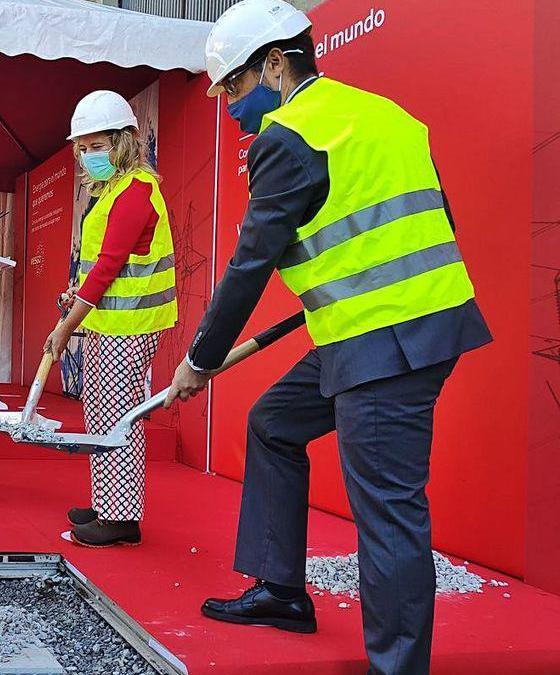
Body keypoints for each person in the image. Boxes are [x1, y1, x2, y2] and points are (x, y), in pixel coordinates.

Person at [163, 1, 492, 672]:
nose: (228, 102)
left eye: (233, 85)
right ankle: (282, 588)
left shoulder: (288, 136)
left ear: (277, 65)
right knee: (274, 421)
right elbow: (431, 225)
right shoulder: (387, 116)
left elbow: (250, 263)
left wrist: (198, 360)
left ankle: (397, 665)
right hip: (396, 327)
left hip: (385, 345)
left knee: (389, 513)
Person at [45, 90, 177, 548]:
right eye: (81, 147)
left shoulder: (136, 190)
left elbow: (108, 267)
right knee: (101, 411)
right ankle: (107, 503)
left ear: (123, 142)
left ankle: (121, 518)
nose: (87, 155)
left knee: (118, 417)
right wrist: (75, 299)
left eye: (96, 145)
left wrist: (66, 325)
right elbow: (98, 268)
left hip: (131, 325)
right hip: (110, 323)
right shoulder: (113, 190)